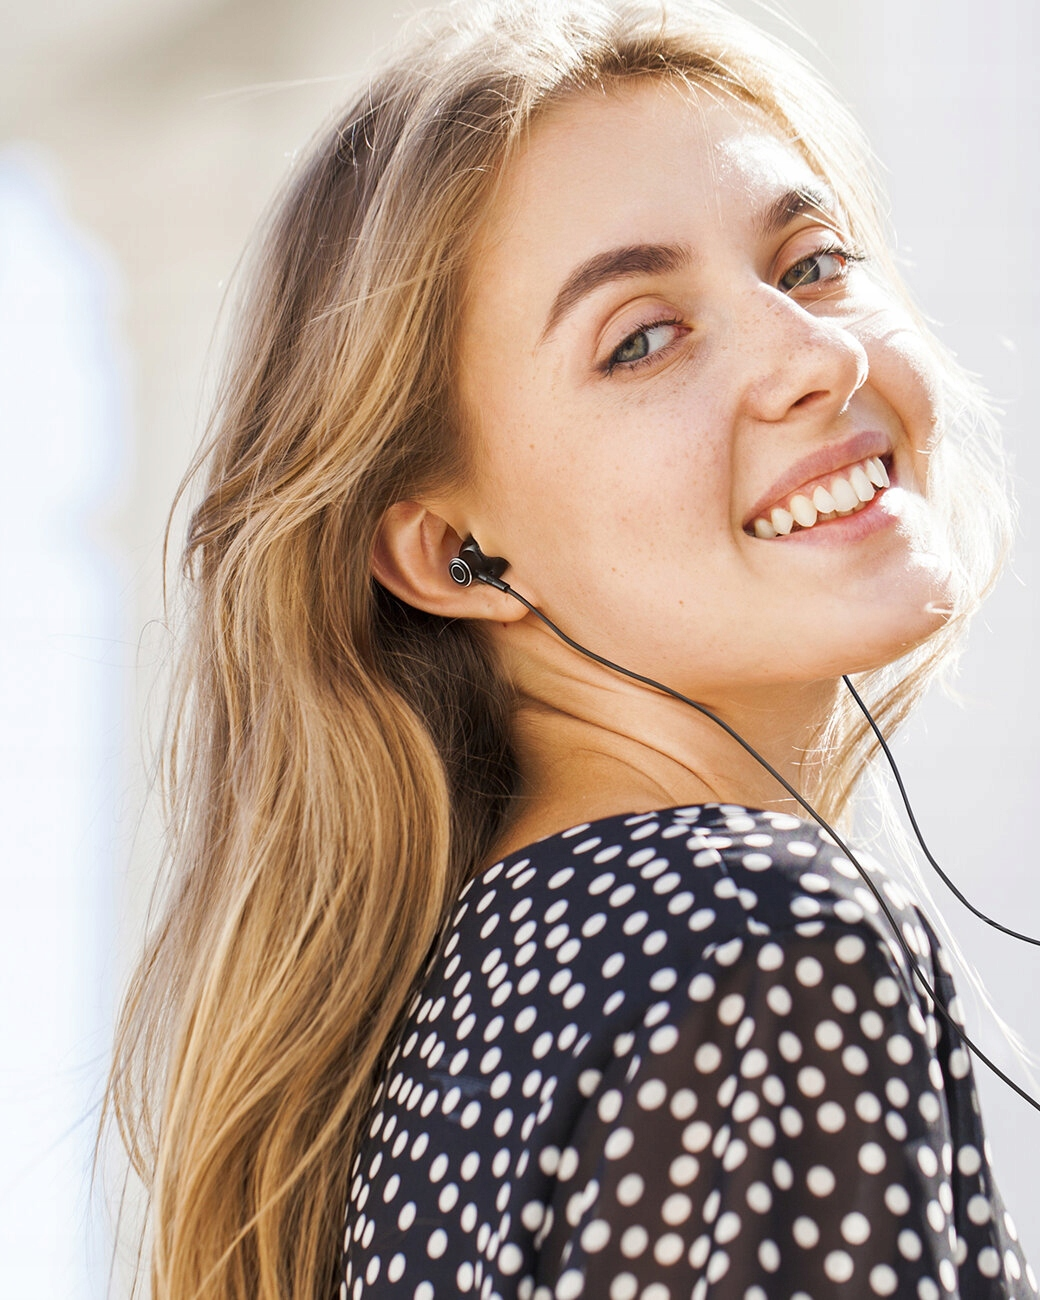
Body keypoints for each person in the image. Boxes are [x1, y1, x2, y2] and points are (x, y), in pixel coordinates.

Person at [106, 1, 1037, 1297]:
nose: (815, 354)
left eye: (813, 261)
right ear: (446, 552)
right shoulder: (768, 947)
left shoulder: (456, 1033)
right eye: (643, 340)